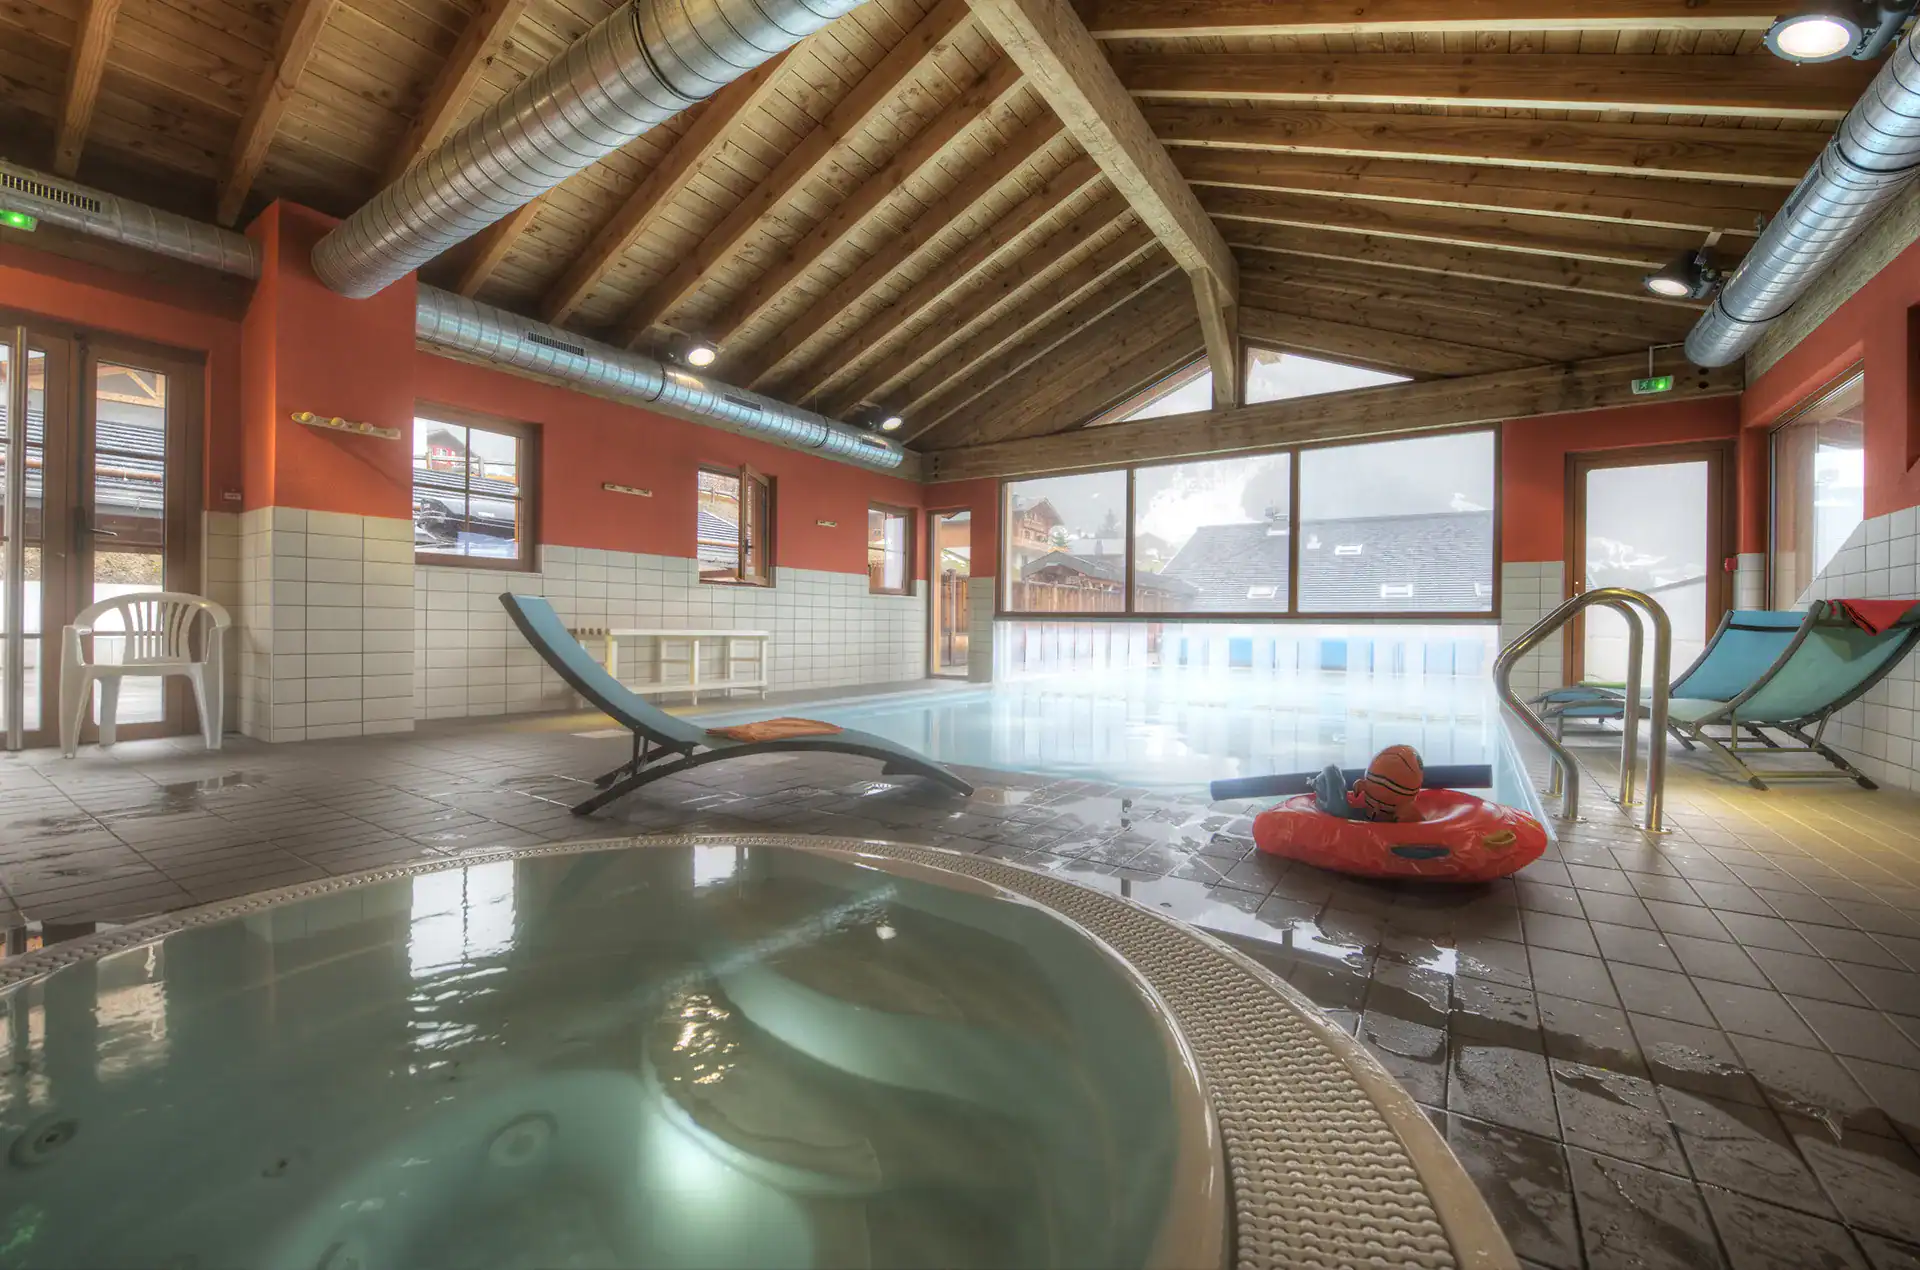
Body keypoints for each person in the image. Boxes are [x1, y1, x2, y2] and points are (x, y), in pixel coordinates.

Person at [1309, 744, 1425, 823]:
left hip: (1373, 821)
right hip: (1368, 816)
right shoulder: (1404, 806)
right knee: (1331, 773)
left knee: (1331, 773)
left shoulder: (1406, 812)